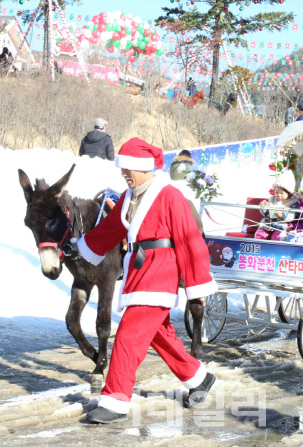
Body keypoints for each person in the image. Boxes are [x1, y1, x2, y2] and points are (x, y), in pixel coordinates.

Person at [78, 138, 218, 424]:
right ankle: (197, 378)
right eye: (122, 168)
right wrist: (80, 247)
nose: (123, 173)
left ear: (143, 168)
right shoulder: (130, 196)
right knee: (157, 333)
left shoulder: (170, 196)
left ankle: (115, 400)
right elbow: (111, 229)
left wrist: (196, 288)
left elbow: (190, 242)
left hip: (161, 271)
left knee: (129, 334)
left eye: (128, 168)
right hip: (138, 270)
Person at [255, 171, 299, 241]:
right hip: (267, 224)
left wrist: (282, 214)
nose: (278, 195)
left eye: (282, 193)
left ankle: (274, 250)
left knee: (278, 237)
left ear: (289, 193)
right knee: (260, 235)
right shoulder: (272, 199)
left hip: (281, 226)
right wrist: (264, 206)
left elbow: (292, 216)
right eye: (276, 192)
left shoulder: (293, 202)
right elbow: (265, 213)